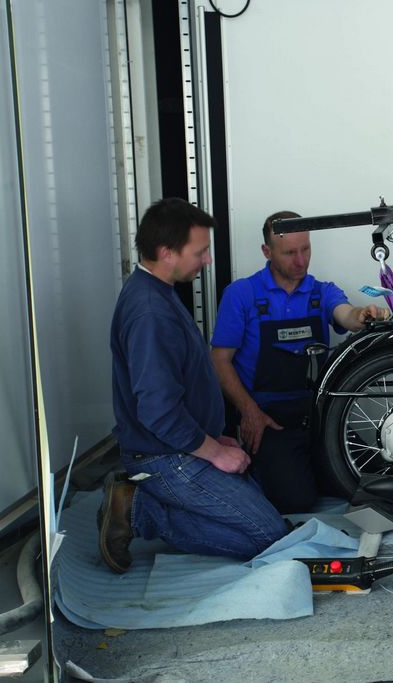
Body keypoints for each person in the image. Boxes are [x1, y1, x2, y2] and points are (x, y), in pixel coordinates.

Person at [100, 198, 288, 574]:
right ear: (166, 252)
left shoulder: (159, 291)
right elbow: (157, 409)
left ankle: (149, 502)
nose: (207, 260)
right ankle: (136, 509)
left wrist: (212, 437)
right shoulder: (150, 312)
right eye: (200, 252)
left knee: (268, 513)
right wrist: (212, 452)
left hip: (183, 445)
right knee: (269, 538)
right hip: (163, 456)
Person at [210, 211, 390, 514]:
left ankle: (304, 469)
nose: (300, 260)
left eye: (305, 249)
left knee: (374, 476)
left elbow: (345, 314)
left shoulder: (322, 292)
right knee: (295, 501)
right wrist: (249, 412)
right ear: (267, 252)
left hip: (316, 415)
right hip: (268, 417)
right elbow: (219, 360)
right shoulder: (242, 295)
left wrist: (362, 315)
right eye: (289, 253)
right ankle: (277, 470)